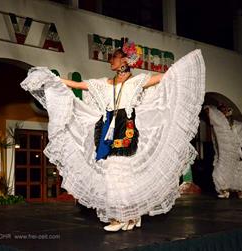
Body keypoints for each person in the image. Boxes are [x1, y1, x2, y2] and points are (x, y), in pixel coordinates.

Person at [20, 39, 205, 231]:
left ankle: (125, 216)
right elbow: (77, 84)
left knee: (123, 172)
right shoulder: (103, 84)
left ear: (125, 60)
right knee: (111, 172)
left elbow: (164, 78)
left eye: (114, 58)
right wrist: (53, 80)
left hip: (127, 126)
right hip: (108, 127)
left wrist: (182, 68)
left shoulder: (137, 81)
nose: (111, 62)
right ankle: (127, 216)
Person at [204, 104, 242, 199]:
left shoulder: (237, 125)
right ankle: (224, 190)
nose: (223, 113)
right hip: (224, 152)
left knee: (239, 170)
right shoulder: (218, 125)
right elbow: (210, 113)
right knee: (221, 170)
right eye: (221, 111)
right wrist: (209, 110)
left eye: (225, 111)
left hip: (236, 151)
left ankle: (240, 190)